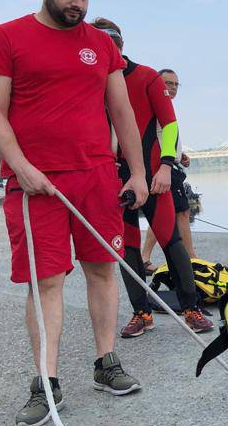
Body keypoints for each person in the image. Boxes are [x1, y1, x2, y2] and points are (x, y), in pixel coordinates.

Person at [0, 0, 150, 426]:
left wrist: (136, 172)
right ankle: (46, 382)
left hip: (96, 177)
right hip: (36, 184)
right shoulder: (7, 37)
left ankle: (106, 362)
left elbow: (123, 113)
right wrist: (22, 166)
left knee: (101, 270)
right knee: (46, 281)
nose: (78, 3)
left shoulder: (100, 45)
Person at [90, 19, 213, 337]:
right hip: (116, 179)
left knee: (172, 242)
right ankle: (141, 313)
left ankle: (191, 308)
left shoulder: (145, 76)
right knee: (126, 250)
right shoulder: (92, 83)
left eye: (111, 44)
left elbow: (169, 124)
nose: (106, 50)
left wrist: (166, 166)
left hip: (156, 175)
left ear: (120, 44)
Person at [141, 68, 198, 267]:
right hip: (164, 169)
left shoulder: (166, 107)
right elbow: (154, 136)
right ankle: (191, 257)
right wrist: (167, 162)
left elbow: (165, 136)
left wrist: (179, 155)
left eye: (175, 84)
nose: (172, 88)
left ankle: (145, 257)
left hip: (171, 165)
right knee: (181, 211)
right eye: (168, 83)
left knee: (165, 214)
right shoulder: (156, 105)